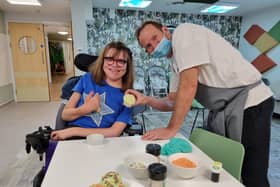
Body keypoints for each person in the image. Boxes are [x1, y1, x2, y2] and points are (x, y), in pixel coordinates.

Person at [127, 21, 274, 187]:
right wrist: (146, 99)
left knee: (252, 174)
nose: (154, 46)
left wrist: (171, 129)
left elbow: (189, 85)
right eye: (149, 46)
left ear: (165, 30)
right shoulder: (176, 62)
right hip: (226, 109)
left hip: (251, 102)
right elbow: (172, 102)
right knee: (219, 167)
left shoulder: (184, 33)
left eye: (155, 38)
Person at [51, 41, 134, 140]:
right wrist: (86, 108)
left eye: (121, 61)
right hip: (73, 138)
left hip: (103, 139)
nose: (114, 64)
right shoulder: (87, 79)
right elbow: (65, 115)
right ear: (102, 61)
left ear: (127, 65)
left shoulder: (129, 96)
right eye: (109, 59)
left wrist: (74, 131)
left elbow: (115, 131)